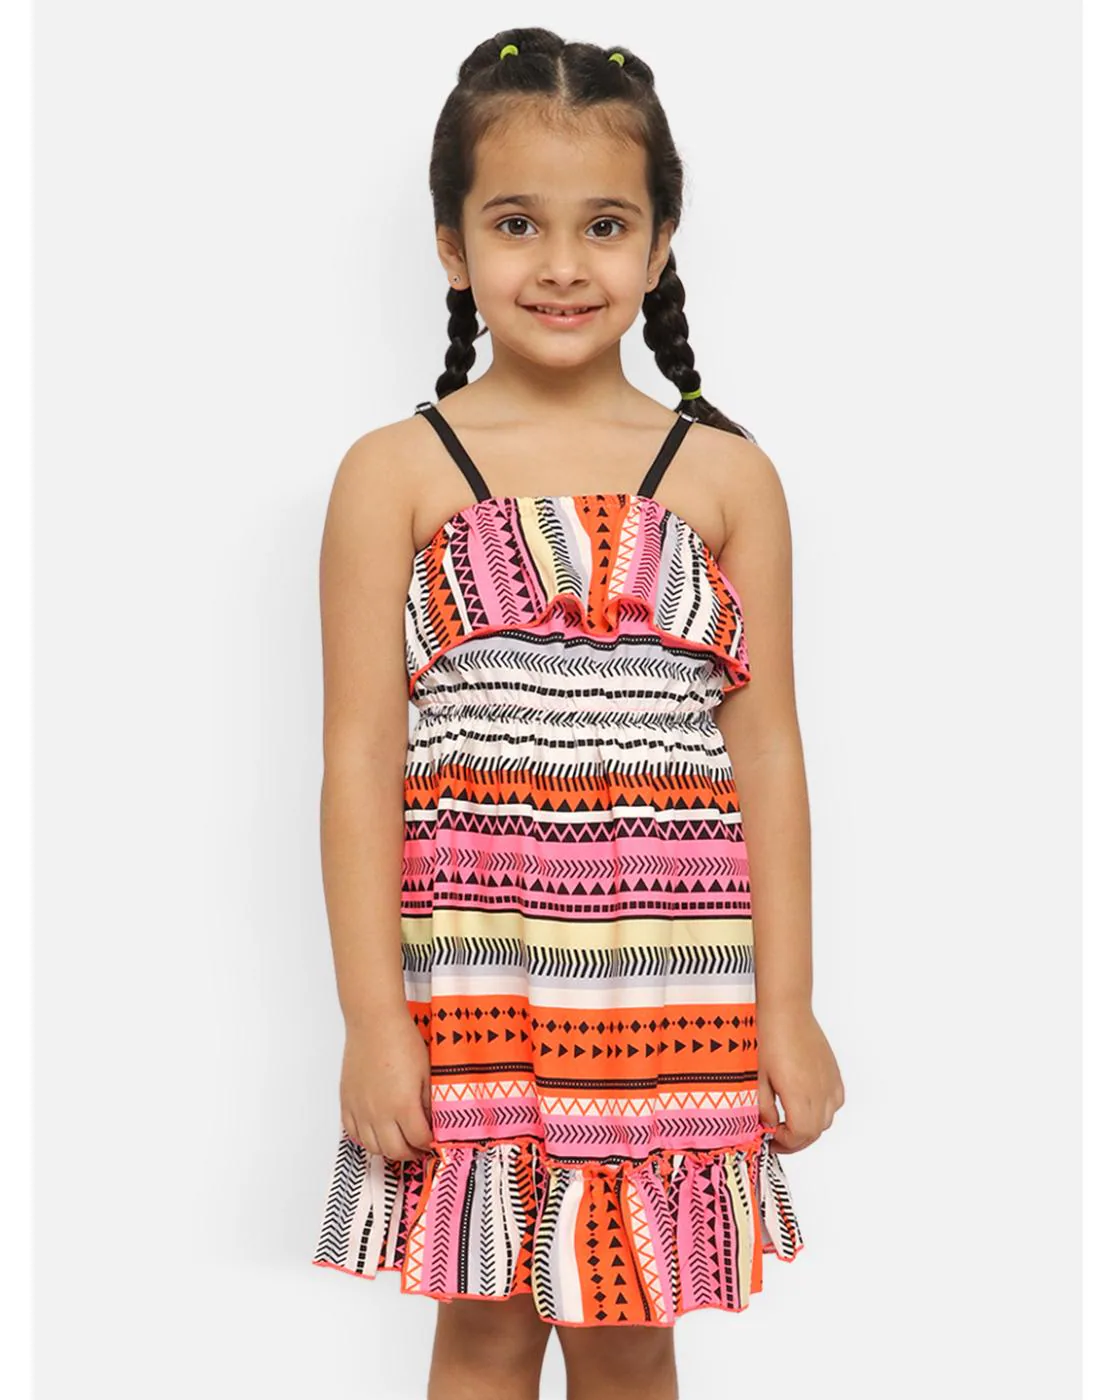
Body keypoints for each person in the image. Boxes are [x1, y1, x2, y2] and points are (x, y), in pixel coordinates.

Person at [312, 26, 844, 1400]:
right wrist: (372, 1019)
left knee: (628, 1328)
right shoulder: (395, 472)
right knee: (485, 1325)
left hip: (673, 980)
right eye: (516, 224)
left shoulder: (725, 477)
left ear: (659, 247)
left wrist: (787, 1006)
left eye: (603, 224)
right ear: (451, 245)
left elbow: (768, 749)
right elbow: (359, 755)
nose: (561, 263)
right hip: (478, 974)